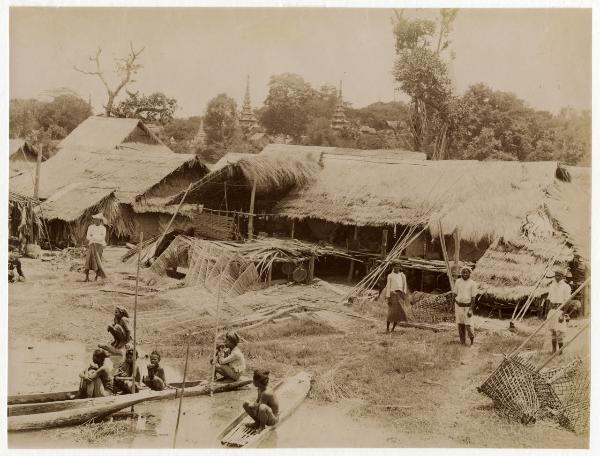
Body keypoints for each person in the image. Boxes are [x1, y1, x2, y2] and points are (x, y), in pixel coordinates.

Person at [454, 266, 478, 346]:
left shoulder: (473, 284)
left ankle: (472, 341)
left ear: (469, 274)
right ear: (461, 273)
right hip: (458, 306)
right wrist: (452, 303)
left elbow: (473, 298)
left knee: (468, 324)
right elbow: (455, 294)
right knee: (460, 324)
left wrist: (471, 309)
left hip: (467, 306)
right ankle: (462, 341)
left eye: (466, 272)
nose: (464, 274)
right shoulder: (458, 282)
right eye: (463, 272)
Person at [384, 262, 409, 332]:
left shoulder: (402, 275)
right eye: (395, 266)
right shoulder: (390, 276)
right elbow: (388, 286)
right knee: (391, 312)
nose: (397, 268)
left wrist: (404, 294)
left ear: (400, 267)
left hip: (400, 294)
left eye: (398, 266)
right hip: (393, 294)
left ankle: (393, 328)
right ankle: (387, 328)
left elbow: (405, 285)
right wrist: (388, 297)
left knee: (398, 313)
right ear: (393, 267)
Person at [84, 213, 108, 282]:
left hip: (99, 246)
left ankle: (96, 277)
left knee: (98, 260)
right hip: (91, 245)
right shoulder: (90, 227)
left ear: (100, 220)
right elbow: (88, 237)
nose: (95, 221)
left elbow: (102, 238)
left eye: (97, 220)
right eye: (94, 219)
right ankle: (87, 277)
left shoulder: (103, 228)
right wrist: (94, 238)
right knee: (88, 260)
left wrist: (93, 237)